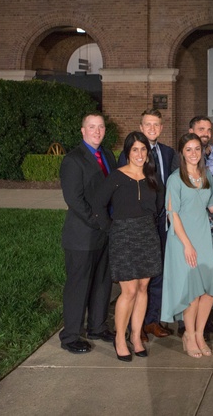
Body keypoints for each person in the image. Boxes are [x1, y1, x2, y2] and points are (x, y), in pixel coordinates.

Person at [91, 131, 164, 361]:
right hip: (123, 235)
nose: (140, 154)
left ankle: (135, 336)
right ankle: (120, 338)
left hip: (147, 234)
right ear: (128, 152)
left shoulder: (153, 178)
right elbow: (98, 204)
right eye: (135, 150)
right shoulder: (116, 177)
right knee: (129, 290)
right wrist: (110, 228)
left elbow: (159, 206)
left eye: (143, 150)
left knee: (143, 288)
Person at [161, 133, 213, 358]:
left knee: (208, 290)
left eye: (197, 148)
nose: (193, 153)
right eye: (188, 149)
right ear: (181, 153)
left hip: (203, 236)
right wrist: (187, 245)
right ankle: (188, 334)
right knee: (192, 291)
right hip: (182, 239)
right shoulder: (175, 179)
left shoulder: (206, 175)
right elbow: (173, 214)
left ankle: (199, 333)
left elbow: (212, 205)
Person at [57, 113, 116, 353]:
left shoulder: (108, 156)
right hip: (83, 234)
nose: (97, 131)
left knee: (103, 282)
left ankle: (97, 326)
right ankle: (70, 335)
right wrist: (98, 221)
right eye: (92, 127)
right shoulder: (73, 160)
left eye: (100, 127)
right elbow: (74, 199)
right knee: (78, 285)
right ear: (83, 131)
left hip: (105, 233)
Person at [119, 109, 176, 341]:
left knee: (158, 270)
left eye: (156, 125)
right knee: (139, 273)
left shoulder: (168, 153)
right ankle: (137, 325)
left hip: (163, 220)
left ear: (161, 128)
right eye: (148, 125)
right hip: (139, 222)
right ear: (141, 127)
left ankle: (153, 320)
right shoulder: (130, 154)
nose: (152, 129)